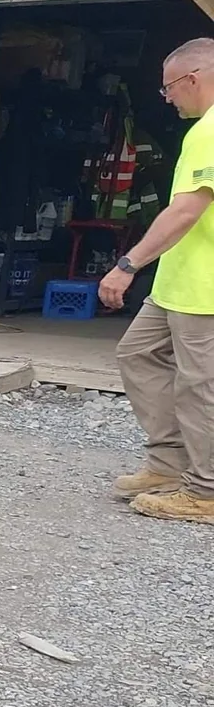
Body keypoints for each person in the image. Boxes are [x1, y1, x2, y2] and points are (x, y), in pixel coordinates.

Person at [105, 37, 214, 522]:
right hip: (179, 280)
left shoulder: (210, 131)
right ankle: (169, 464)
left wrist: (128, 264)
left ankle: (205, 489)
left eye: (169, 88)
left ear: (193, 79)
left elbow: (187, 210)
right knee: (137, 353)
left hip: (204, 287)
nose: (167, 98)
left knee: (199, 385)